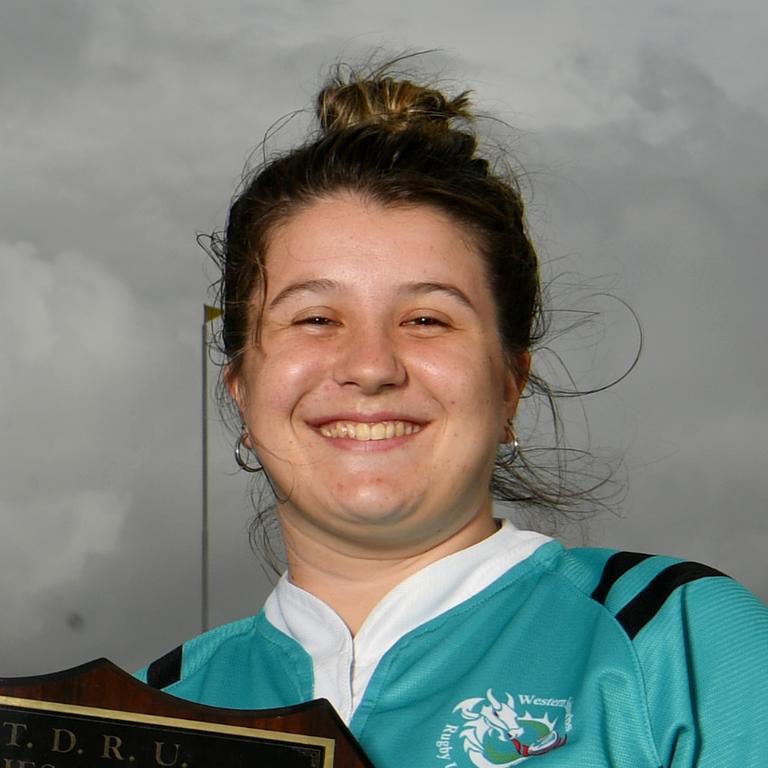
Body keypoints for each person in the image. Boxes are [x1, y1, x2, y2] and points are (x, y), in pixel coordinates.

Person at [137, 63, 768, 767]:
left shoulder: (676, 642)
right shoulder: (145, 710)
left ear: (508, 384)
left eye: (428, 319)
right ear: (241, 390)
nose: (371, 366)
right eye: (315, 318)